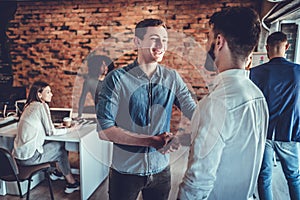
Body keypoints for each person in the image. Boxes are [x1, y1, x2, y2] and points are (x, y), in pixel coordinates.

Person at [95, 18, 196, 200]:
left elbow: (194, 112)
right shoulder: (116, 79)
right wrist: (151, 141)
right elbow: (104, 131)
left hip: (161, 171)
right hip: (125, 172)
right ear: (137, 41)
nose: (161, 45)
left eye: (164, 40)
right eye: (154, 39)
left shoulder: (172, 78)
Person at [177, 7, 269, 200]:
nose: (206, 44)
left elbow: (197, 183)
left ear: (219, 42)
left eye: (208, 38)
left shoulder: (215, 104)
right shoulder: (257, 95)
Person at [250, 31, 300, 200]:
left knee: (264, 178)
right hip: (289, 132)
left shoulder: (254, 73)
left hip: (263, 133)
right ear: (287, 46)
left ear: (267, 48)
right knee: (294, 178)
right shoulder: (298, 72)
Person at [13, 81, 80, 194]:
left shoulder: (28, 105)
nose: (51, 94)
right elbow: (50, 131)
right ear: (39, 94)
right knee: (60, 148)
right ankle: (71, 183)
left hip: (18, 157)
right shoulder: (41, 106)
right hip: (30, 158)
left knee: (54, 145)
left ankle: (57, 173)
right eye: (48, 92)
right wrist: (69, 129)